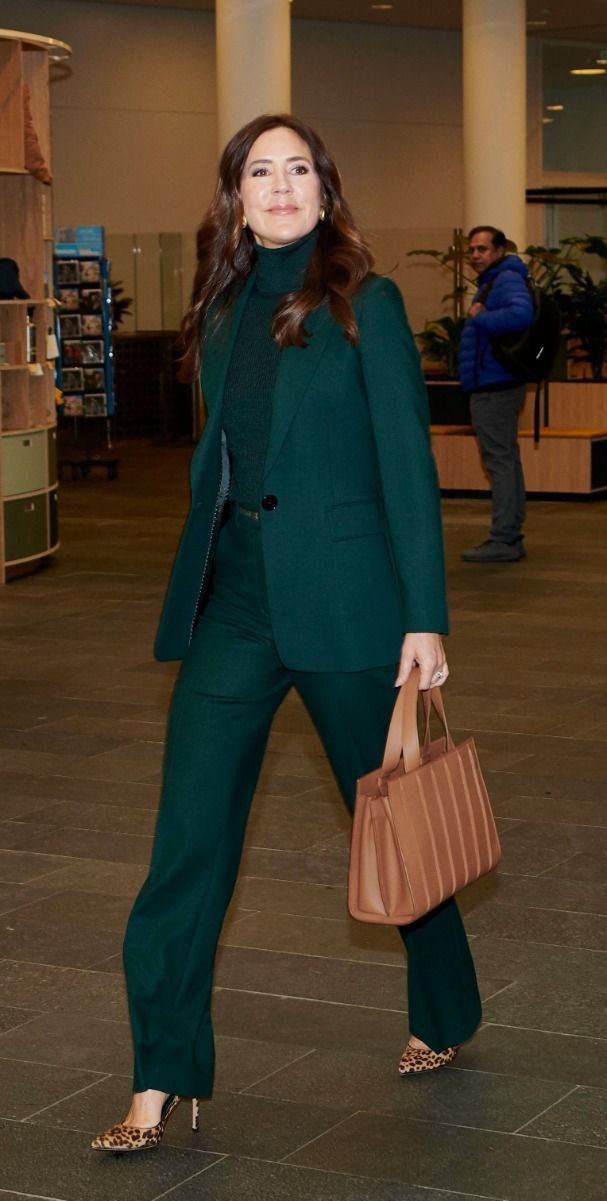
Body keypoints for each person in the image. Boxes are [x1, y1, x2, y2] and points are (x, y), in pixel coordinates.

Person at [91, 114, 481, 1154]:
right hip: (236, 605)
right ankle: (160, 1076)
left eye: (295, 170)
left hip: (348, 605)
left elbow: (407, 460)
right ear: (234, 197)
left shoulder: (370, 304)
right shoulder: (220, 307)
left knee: (395, 819)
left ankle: (443, 1007)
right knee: (186, 845)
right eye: (258, 172)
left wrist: (423, 616)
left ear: (324, 188)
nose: (278, 187)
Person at [459, 225, 534, 563]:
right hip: (498, 382)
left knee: (499, 462)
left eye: (483, 249)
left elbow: (521, 314)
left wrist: (482, 316)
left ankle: (503, 538)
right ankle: (509, 534)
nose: (476, 255)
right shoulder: (498, 279)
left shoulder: (504, 280)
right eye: (472, 250)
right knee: (506, 460)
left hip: (495, 386)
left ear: (500, 250)